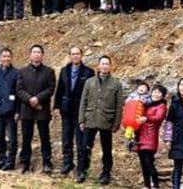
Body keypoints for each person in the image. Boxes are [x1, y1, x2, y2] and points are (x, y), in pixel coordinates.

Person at [75, 55, 123, 185]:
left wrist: (116, 123)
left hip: (106, 121)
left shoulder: (116, 84)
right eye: (103, 63)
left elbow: (119, 105)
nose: (105, 66)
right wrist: (81, 120)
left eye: (107, 64)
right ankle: (82, 171)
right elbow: (83, 102)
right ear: (98, 66)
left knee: (107, 149)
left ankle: (106, 173)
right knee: (85, 147)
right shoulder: (89, 82)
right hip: (90, 119)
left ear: (110, 66)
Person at [54, 46, 95, 176]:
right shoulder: (64, 71)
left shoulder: (88, 72)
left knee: (81, 141)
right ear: (70, 56)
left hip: (80, 111)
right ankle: (67, 162)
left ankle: (81, 167)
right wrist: (56, 106)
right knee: (66, 138)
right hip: (66, 110)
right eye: (73, 54)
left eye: (77, 54)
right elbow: (59, 89)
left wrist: (88, 111)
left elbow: (91, 94)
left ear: (81, 55)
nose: (75, 56)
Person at [17, 44, 56, 174]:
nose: (36, 54)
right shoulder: (22, 71)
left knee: (45, 137)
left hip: (42, 109)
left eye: (39, 52)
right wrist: (30, 99)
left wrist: (38, 99)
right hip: (26, 110)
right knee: (26, 137)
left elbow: (51, 89)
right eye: (34, 52)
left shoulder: (49, 72)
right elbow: (19, 89)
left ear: (42, 55)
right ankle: (25, 163)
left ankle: (47, 163)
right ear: (30, 55)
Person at [0, 47, 19, 170]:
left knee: (12, 138)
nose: (6, 58)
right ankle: (1, 159)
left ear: (11, 58)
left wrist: (18, 111)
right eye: (4, 56)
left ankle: (10, 161)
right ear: (0, 58)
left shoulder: (16, 73)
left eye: (8, 56)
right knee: (0, 136)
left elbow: (18, 93)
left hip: (11, 110)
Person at [133, 84, 167, 189]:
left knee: (149, 162)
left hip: (150, 136)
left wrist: (146, 118)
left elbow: (158, 118)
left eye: (159, 92)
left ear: (162, 96)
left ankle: (155, 185)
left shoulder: (161, 106)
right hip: (139, 135)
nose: (156, 94)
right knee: (143, 163)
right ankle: (147, 185)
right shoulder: (146, 104)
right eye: (154, 91)